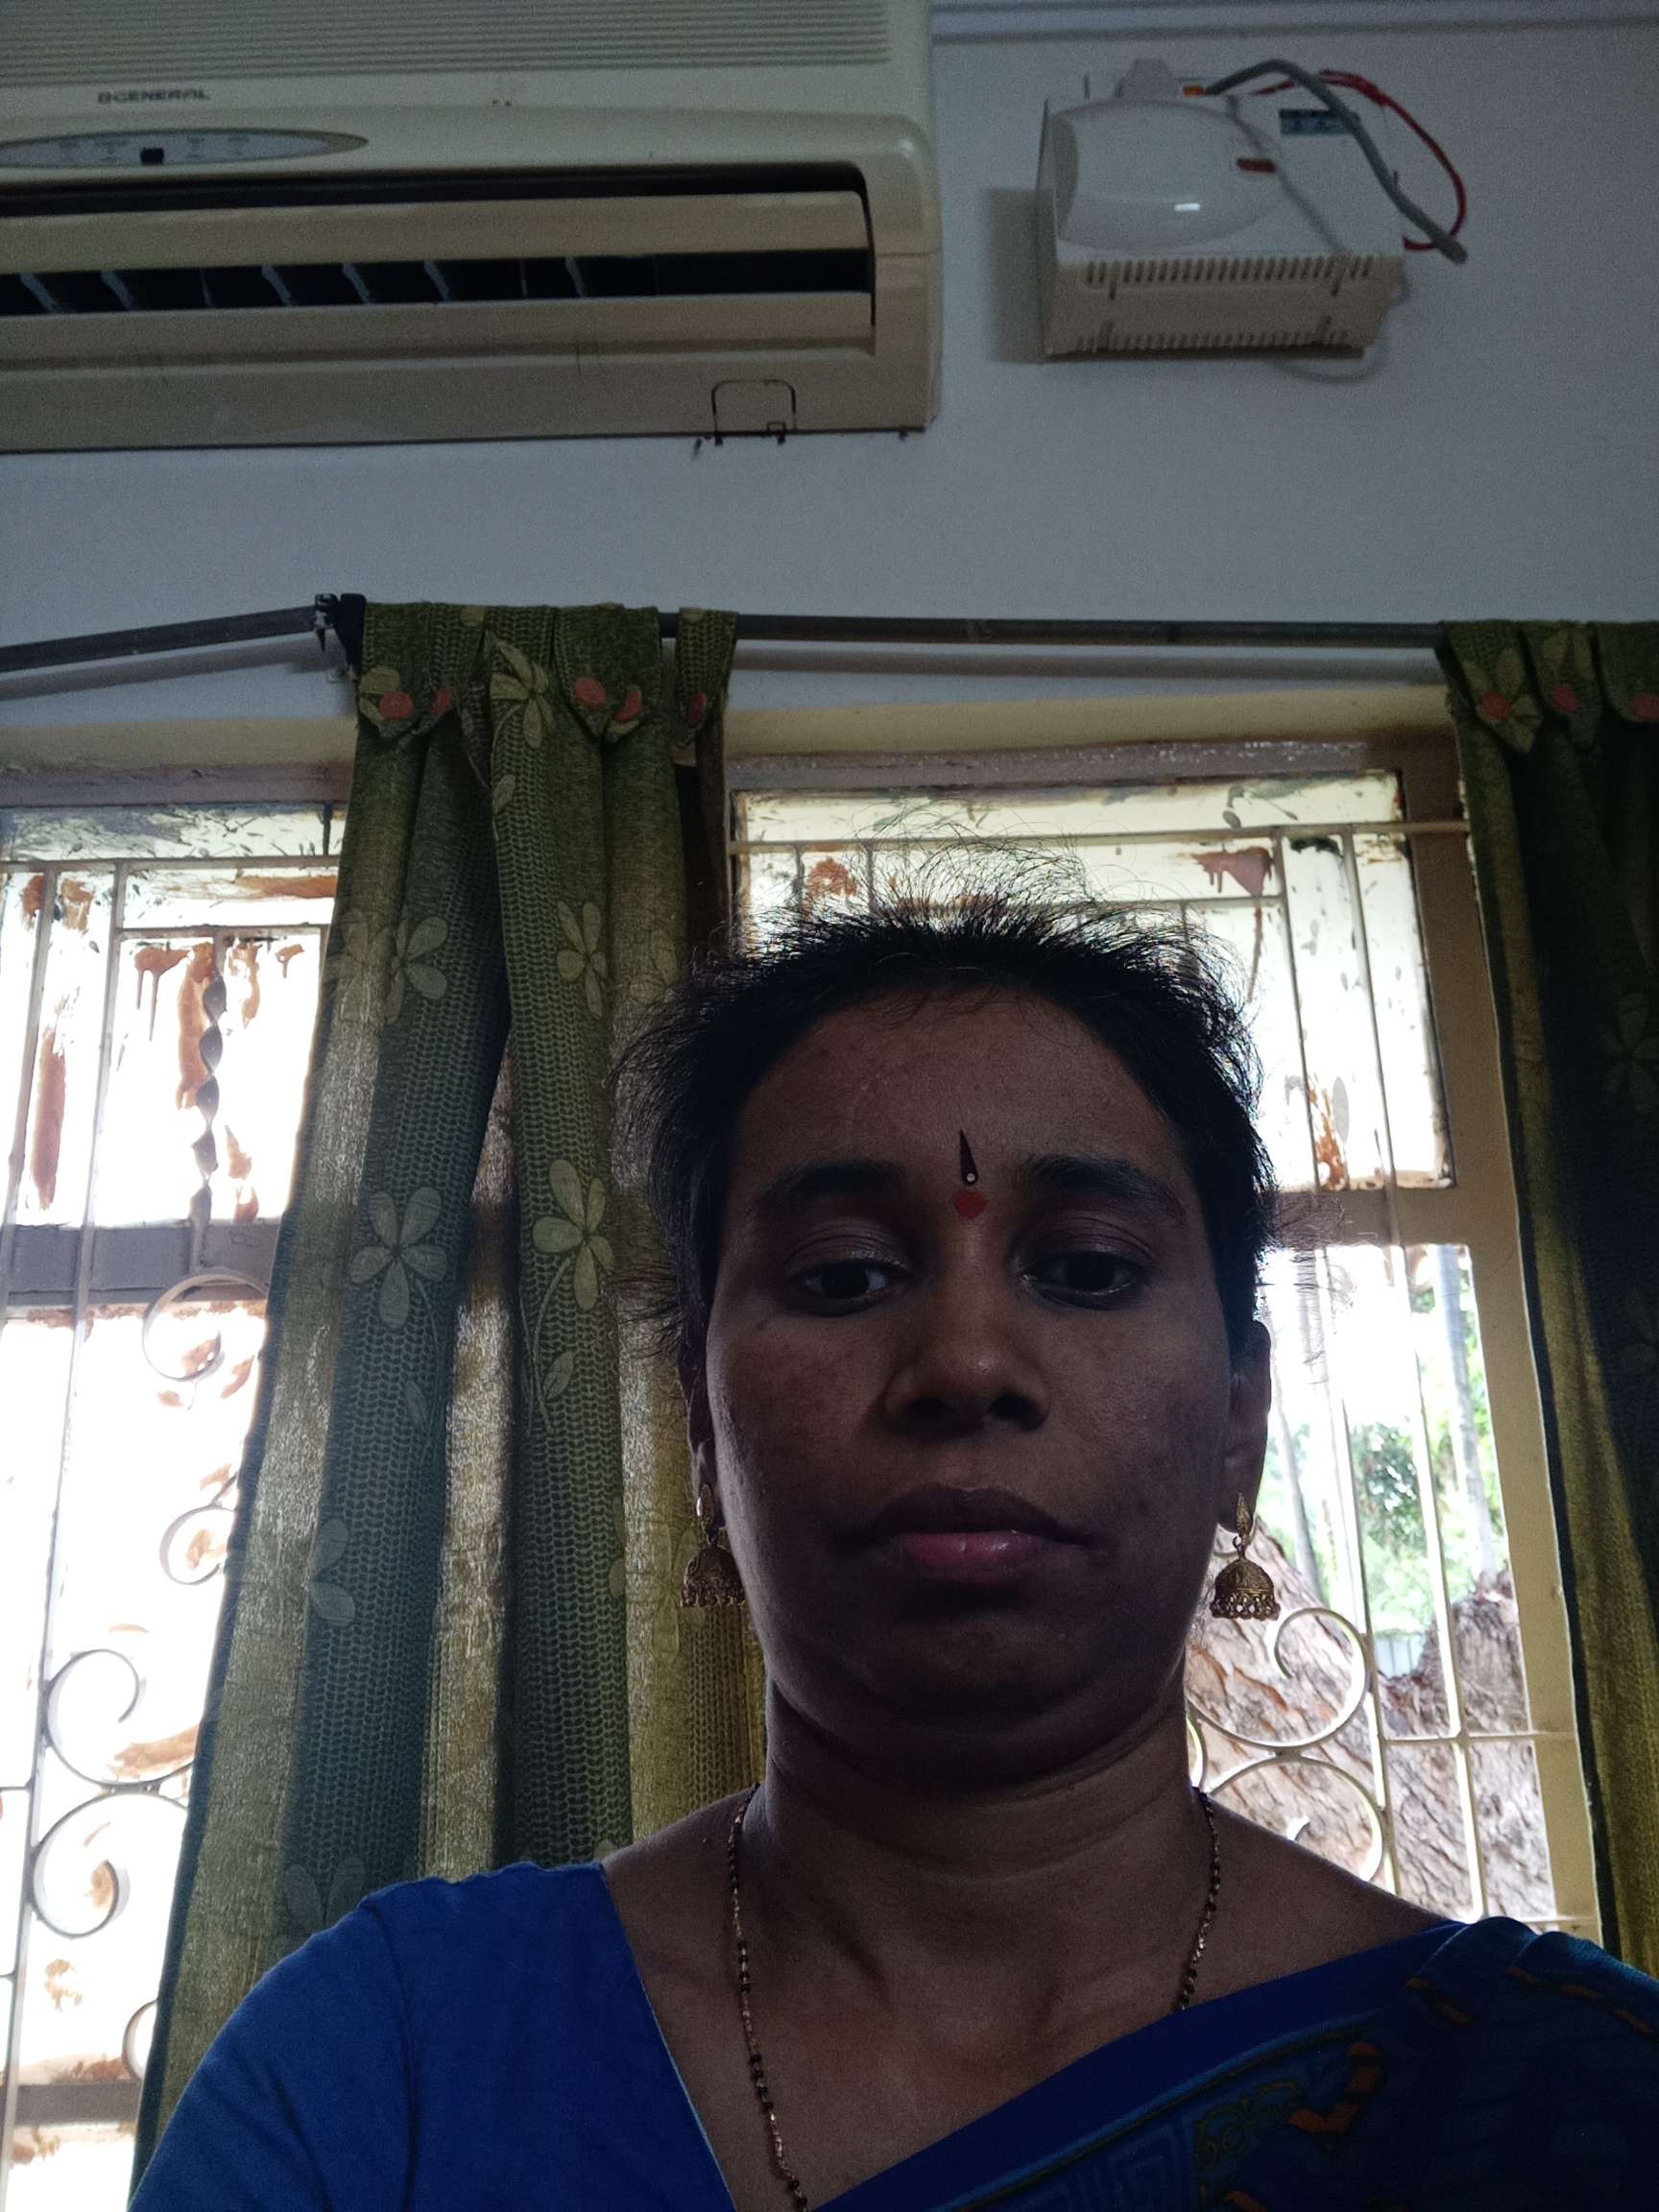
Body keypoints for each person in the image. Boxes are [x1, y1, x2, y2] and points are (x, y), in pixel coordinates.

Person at [132, 884, 1659, 2210]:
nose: (965, 1364)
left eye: (1085, 1269)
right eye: (847, 1277)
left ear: (1241, 1419)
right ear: (700, 1427)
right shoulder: (389, 2066)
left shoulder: (1561, 2099)